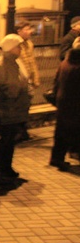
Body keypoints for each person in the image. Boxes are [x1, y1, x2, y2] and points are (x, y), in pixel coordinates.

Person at [0, 34, 31, 191]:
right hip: (7, 111)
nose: (20, 49)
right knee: (5, 143)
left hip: (16, 110)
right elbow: (7, 89)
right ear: (11, 48)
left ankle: (7, 168)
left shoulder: (14, 62)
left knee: (10, 142)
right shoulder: (2, 65)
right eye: (18, 46)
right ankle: (1, 170)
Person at [50, 37, 80, 171]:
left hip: (63, 102)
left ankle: (56, 158)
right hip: (74, 104)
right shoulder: (77, 66)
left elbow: (56, 82)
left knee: (61, 132)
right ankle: (60, 158)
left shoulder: (65, 63)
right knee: (69, 132)